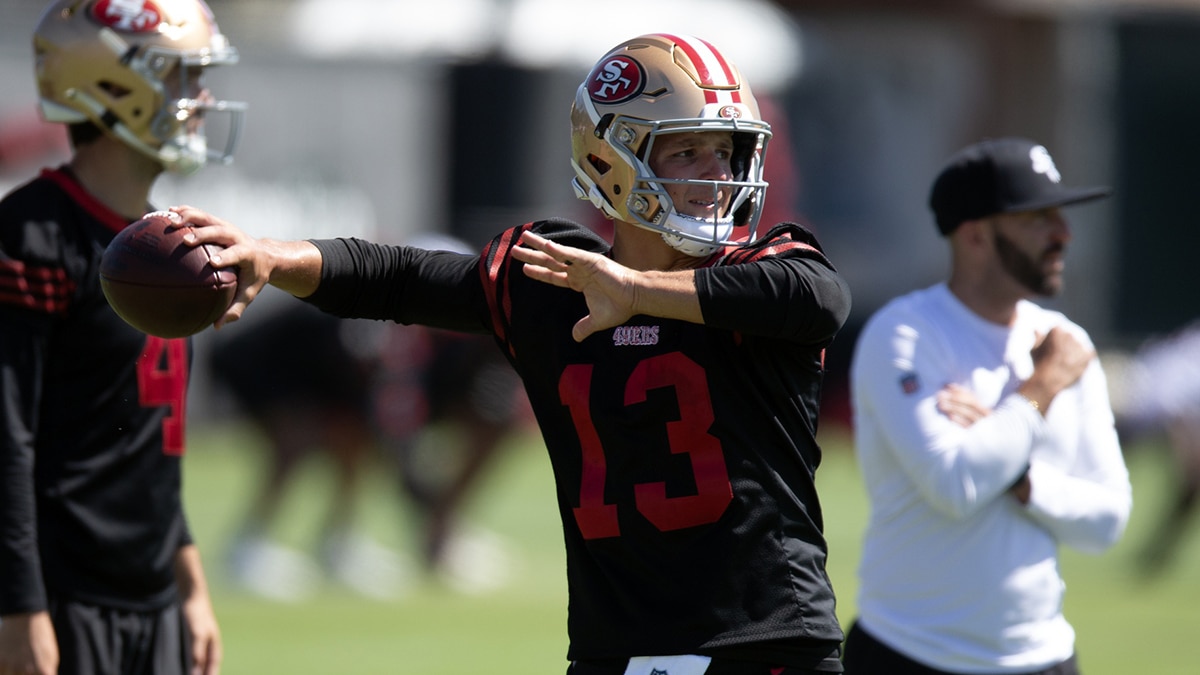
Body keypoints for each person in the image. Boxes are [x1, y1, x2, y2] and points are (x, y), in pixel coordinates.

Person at [172, 32, 852, 675]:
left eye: (728, 151)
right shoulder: (557, 283)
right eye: (687, 152)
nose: (718, 174)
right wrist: (272, 254)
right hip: (613, 647)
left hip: (765, 641)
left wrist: (638, 291)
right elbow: (401, 277)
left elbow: (819, 297)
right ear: (609, 161)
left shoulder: (766, 271)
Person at [0, 1, 246, 674]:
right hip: (60, 596)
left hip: (152, 599)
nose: (201, 98)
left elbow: (151, 445)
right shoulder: (32, 236)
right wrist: (18, 606)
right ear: (112, 85)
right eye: (180, 75)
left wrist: (190, 585)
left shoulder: (167, 246)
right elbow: (7, 436)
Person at [843, 137, 1133, 675]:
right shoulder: (904, 333)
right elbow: (953, 484)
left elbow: (1108, 521)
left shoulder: (1065, 342)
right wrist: (1039, 389)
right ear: (976, 233)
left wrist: (1021, 476)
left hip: (1043, 659)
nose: (1063, 235)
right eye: (1038, 219)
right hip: (905, 654)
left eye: (1061, 217)